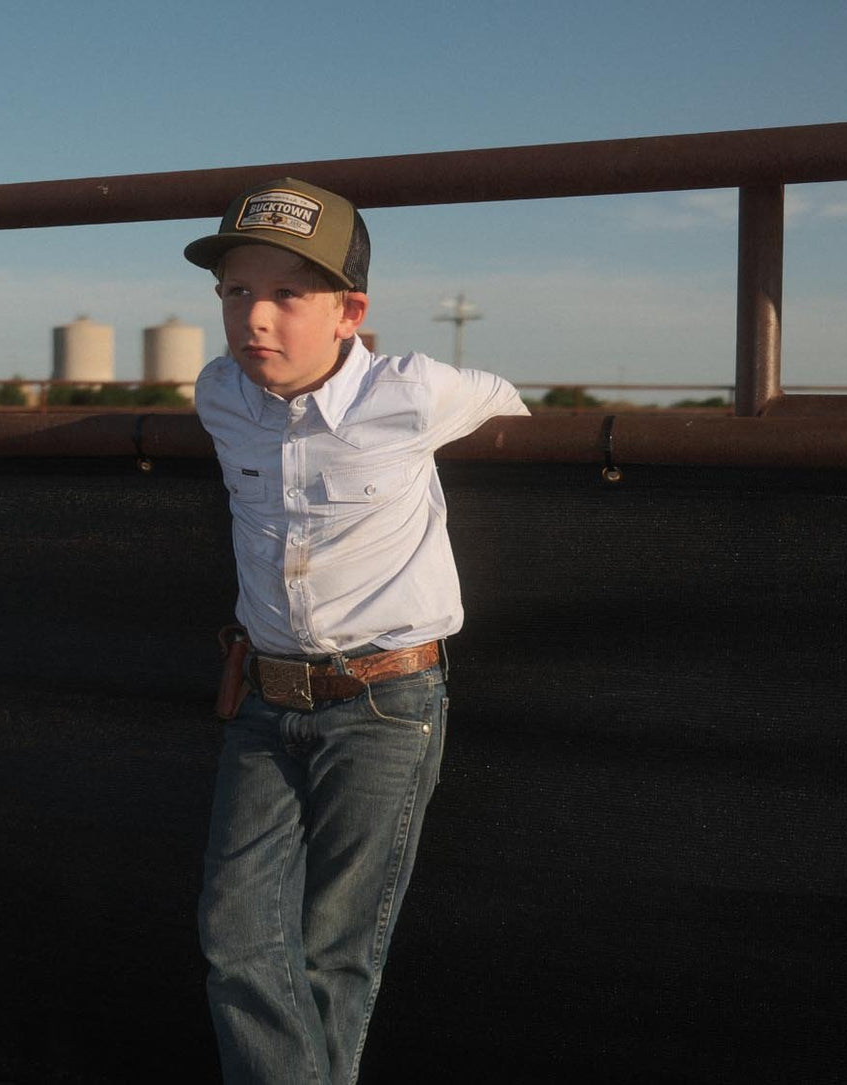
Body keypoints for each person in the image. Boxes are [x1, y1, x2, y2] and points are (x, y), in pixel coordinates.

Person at [185, 177, 528, 1084]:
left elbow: (512, 403)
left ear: (350, 312)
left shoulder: (413, 392)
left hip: (386, 701)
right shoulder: (219, 394)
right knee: (234, 933)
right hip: (263, 698)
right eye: (235, 291)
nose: (255, 316)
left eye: (288, 294)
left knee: (336, 950)